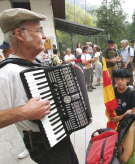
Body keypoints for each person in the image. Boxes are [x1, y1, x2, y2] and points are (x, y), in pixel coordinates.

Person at [0, 8, 78, 164]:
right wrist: (23, 112)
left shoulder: (37, 64)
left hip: (61, 136)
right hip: (44, 146)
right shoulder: (6, 74)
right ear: (20, 34)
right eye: (39, 30)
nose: (44, 36)